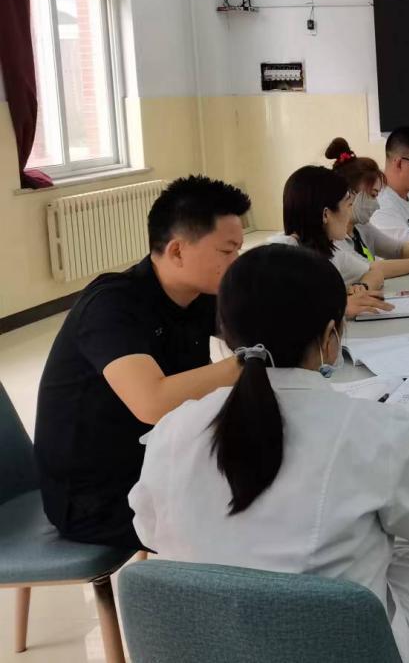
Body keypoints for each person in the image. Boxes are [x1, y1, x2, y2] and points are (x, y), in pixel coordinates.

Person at [129, 244, 409, 662]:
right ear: (330, 337)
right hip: (344, 648)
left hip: (208, 645)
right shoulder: (373, 428)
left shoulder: (176, 427)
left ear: (227, 337)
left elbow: (148, 529)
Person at [33, 176, 251, 549]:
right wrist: (246, 363)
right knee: (258, 516)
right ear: (178, 251)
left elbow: (255, 324)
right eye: (227, 251)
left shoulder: (198, 295)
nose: (236, 263)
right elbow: (152, 402)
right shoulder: (111, 305)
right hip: (95, 499)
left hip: (159, 462)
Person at [272, 165, 409, 289]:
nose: (348, 212)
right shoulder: (280, 258)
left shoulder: (330, 251)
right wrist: (344, 305)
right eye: (348, 204)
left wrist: (361, 289)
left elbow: (374, 271)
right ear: (326, 214)